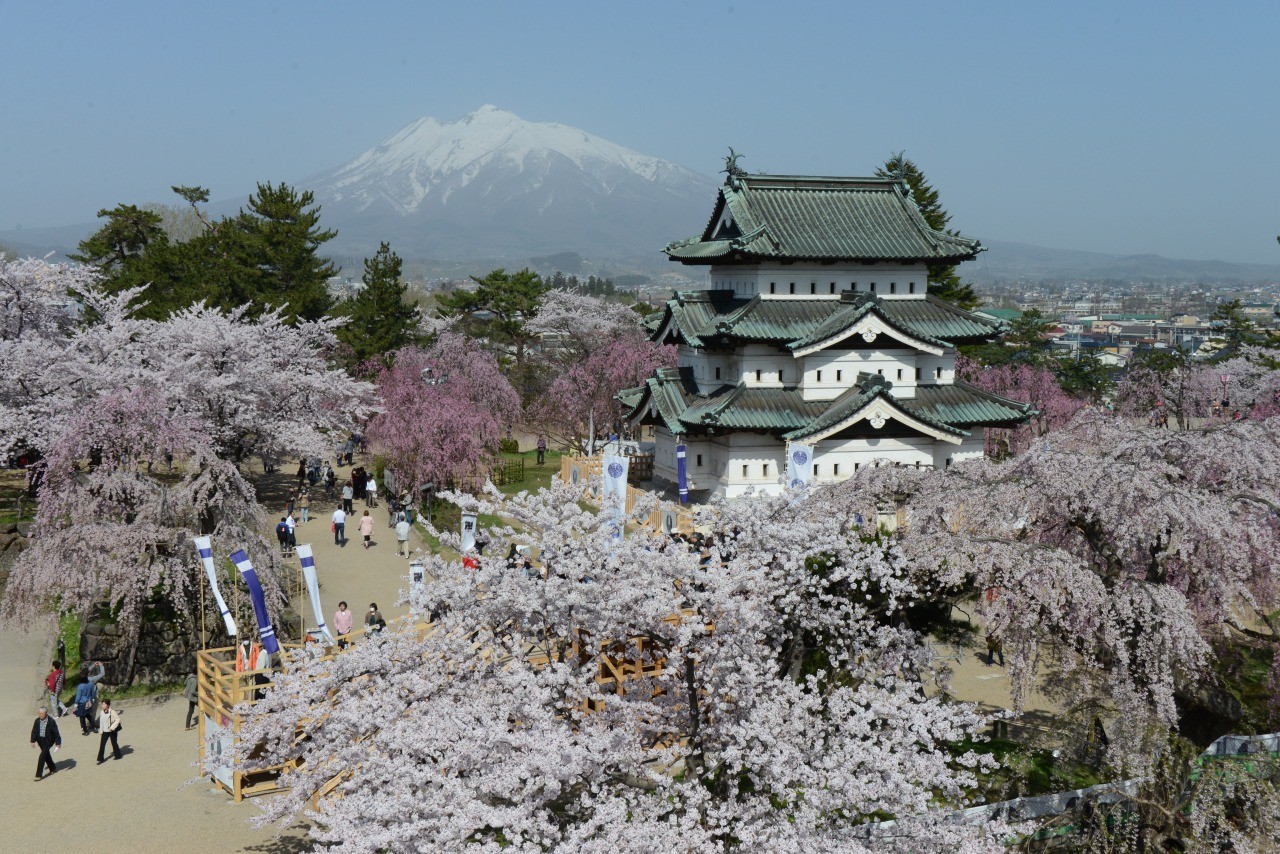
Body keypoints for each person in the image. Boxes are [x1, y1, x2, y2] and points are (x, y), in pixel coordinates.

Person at [31, 707, 61, 781]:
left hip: (49, 741)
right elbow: (34, 731)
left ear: (46, 713)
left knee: (42, 756)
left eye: (42, 713)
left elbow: (56, 732)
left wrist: (58, 743)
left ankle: (38, 775)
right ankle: (53, 768)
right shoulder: (37, 721)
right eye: (39, 713)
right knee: (46, 755)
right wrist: (33, 740)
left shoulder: (51, 721)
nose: (40, 715)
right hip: (40, 741)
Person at [96, 699, 123, 763]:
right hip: (105, 731)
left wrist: (112, 728)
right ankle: (100, 759)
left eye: (104, 704)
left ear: (108, 705)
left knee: (114, 743)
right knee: (102, 745)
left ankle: (118, 755)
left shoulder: (112, 712)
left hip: (111, 731)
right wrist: (101, 731)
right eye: (102, 704)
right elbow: (101, 722)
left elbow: (118, 719)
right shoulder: (101, 712)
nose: (102, 705)